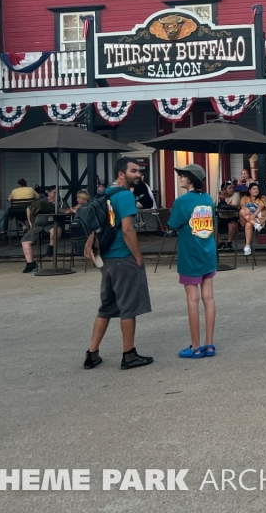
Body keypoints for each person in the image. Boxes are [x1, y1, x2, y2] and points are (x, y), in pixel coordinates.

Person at [83, 157, 153, 371]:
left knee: (106, 307)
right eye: (133, 171)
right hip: (123, 257)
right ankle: (129, 355)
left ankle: (92, 354)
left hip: (105, 258)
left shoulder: (106, 194)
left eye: (139, 171)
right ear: (121, 174)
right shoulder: (125, 196)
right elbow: (127, 230)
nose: (138, 174)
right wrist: (138, 257)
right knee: (128, 308)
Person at [168, 163, 218, 359]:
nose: (180, 178)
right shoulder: (208, 199)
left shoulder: (181, 201)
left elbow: (172, 224)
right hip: (208, 252)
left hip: (189, 254)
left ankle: (196, 346)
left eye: (183, 175)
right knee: (209, 297)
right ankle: (209, 344)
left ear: (190, 178)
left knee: (192, 299)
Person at [20, 186, 59, 273]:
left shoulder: (61, 201)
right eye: (54, 192)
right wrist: (30, 223)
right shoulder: (41, 201)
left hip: (52, 224)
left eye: (57, 193)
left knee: (55, 230)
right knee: (25, 241)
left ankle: (51, 248)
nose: (56, 194)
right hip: (37, 225)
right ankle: (30, 263)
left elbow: (65, 210)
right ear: (49, 193)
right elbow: (29, 208)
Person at [238, 181, 266, 256]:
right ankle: (256, 225)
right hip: (245, 219)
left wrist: (254, 214)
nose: (256, 190)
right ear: (249, 191)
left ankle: (247, 246)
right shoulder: (244, 198)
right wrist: (246, 208)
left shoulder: (262, 198)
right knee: (242, 211)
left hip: (258, 219)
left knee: (249, 224)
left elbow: (260, 207)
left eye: (257, 189)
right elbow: (242, 206)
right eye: (254, 189)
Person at [215, 181, 241, 251]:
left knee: (233, 224)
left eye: (232, 188)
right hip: (221, 218)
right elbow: (212, 204)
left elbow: (234, 206)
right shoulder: (220, 197)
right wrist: (217, 195)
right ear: (224, 190)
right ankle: (221, 243)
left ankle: (229, 243)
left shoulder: (235, 195)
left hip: (232, 217)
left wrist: (223, 205)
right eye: (229, 188)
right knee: (212, 225)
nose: (232, 189)